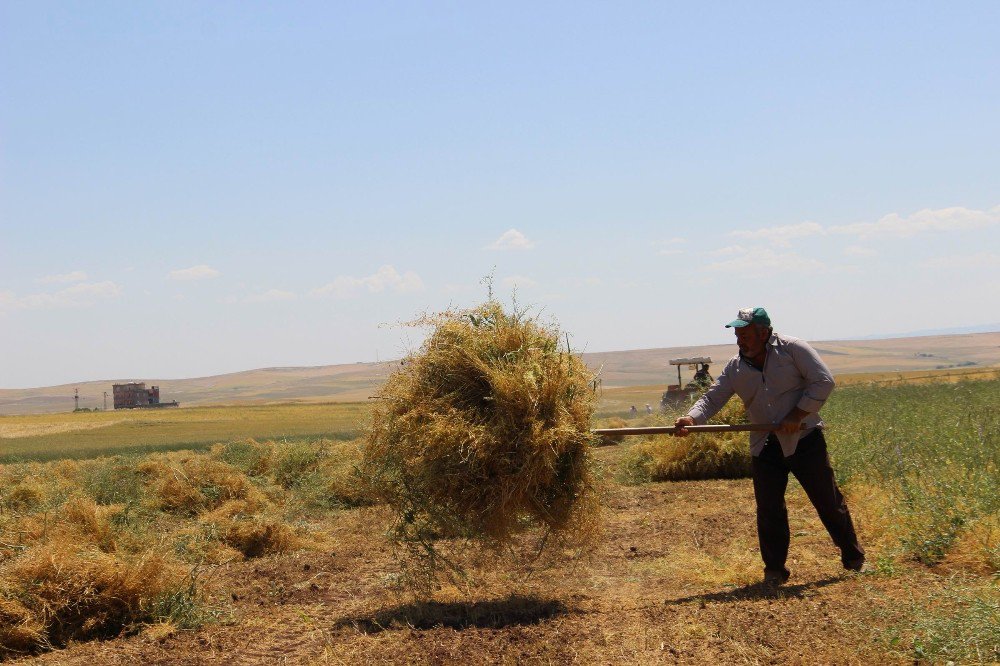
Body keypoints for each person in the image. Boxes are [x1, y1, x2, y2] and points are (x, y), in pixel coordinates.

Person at [673, 307, 865, 586]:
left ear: (764, 332)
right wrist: (691, 418)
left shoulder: (793, 350)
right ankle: (774, 570)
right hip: (765, 445)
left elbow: (824, 381)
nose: (741, 340)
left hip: (804, 439)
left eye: (746, 334)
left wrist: (796, 415)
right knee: (769, 509)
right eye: (738, 335)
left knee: (827, 500)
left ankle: (853, 557)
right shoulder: (735, 367)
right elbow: (713, 398)